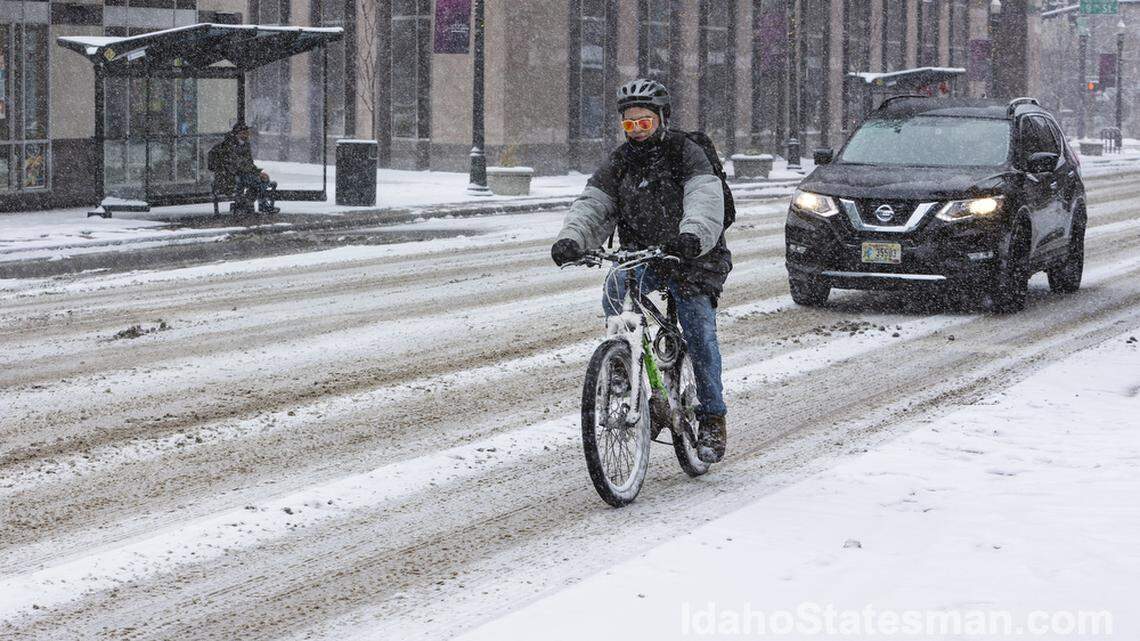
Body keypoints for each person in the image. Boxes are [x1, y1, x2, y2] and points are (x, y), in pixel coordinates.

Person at [550, 78, 732, 464]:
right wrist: (572, 239)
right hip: (642, 255)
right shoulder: (620, 162)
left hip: (693, 257)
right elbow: (593, 206)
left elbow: (704, 199)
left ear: (661, 119)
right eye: (629, 124)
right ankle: (622, 364)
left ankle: (713, 416)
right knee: (615, 286)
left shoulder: (687, 152)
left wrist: (691, 237)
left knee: (698, 328)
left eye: (644, 123)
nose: (637, 131)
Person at [209, 123, 279, 214]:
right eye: (243, 133)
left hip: (242, 174)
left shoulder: (245, 144)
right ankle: (250, 203)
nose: (246, 135)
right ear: (236, 134)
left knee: (264, 179)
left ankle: (249, 203)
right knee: (258, 181)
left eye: (247, 133)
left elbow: (248, 163)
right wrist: (255, 173)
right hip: (229, 176)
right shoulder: (228, 145)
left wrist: (257, 172)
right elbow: (236, 165)